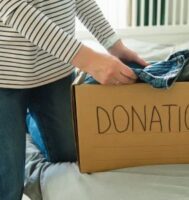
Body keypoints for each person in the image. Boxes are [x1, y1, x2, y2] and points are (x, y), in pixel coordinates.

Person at [0, 0, 147, 199]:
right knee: (8, 186)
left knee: (73, 154)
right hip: (4, 78)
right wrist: (90, 60)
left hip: (56, 71)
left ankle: (27, 121)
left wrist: (114, 45)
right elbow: (13, 8)